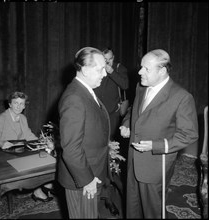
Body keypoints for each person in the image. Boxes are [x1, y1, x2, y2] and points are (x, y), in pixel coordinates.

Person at [120, 49, 199, 218]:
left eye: (146, 69)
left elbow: (189, 134)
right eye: (141, 67)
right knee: (132, 208)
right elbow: (134, 110)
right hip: (133, 159)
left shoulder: (182, 97)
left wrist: (155, 146)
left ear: (162, 71)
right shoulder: (141, 87)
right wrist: (127, 123)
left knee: (152, 211)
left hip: (156, 165)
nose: (140, 72)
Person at [57, 47, 110, 218]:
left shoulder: (85, 92)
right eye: (100, 69)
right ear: (86, 70)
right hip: (82, 179)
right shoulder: (75, 97)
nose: (105, 74)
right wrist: (87, 180)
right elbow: (71, 148)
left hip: (91, 172)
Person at [0, 91, 54, 202]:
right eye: (16, 103)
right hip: (3, 156)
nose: (18, 106)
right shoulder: (1, 119)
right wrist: (2, 143)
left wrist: (43, 142)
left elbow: (28, 135)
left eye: (21, 104)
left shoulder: (22, 118)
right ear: (10, 104)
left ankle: (39, 188)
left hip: (18, 153)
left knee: (40, 160)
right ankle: (39, 188)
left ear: (24, 106)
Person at [94, 47, 129, 141]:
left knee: (111, 140)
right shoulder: (96, 68)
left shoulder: (119, 68)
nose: (108, 62)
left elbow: (125, 85)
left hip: (113, 111)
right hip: (97, 110)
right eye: (105, 59)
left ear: (113, 57)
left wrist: (112, 72)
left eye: (110, 59)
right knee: (98, 139)